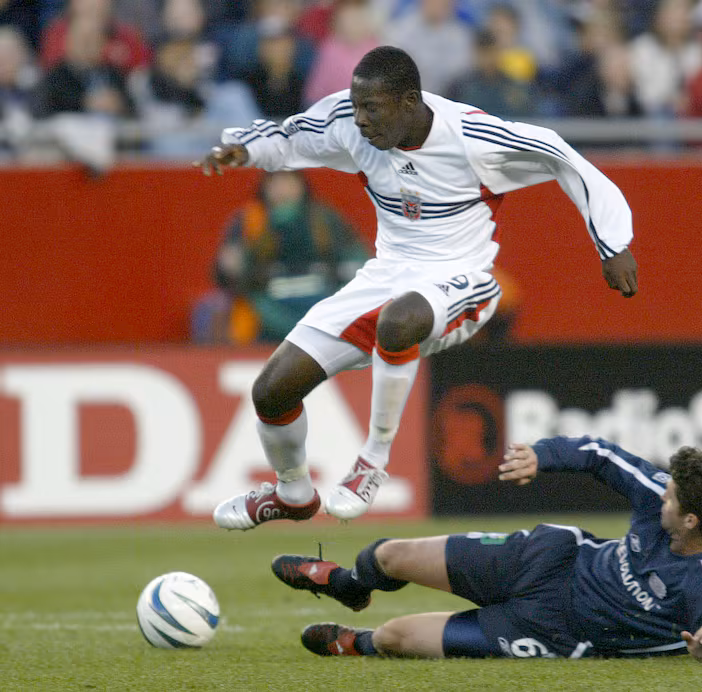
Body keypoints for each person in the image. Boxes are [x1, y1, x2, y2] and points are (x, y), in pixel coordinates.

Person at [195, 45, 638, 525]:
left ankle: (373, 460)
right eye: (357, 107)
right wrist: (245, 149)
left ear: (410, 102)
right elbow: (293, 136)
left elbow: (561, 155)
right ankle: (292, 493)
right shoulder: (353, 124)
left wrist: (611, 243)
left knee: (400, 319)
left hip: (463, 279)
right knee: (271, 391)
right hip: (386, 275)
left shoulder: (472, 136)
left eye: (372, 109)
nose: (361, 121)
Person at [271, 435, 702, 663]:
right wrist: (542, 456)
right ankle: (348, 586)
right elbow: (601, 456)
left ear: (692, 520)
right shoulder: (658, 492)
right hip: (548, 559)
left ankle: (355, 642)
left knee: (396, 637)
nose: (661, 491)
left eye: (672, 496)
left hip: (555, 630)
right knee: (389, 556)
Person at [192, 169, 369, 344]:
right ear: (264, 187)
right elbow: (225, 274)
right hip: (263, 305)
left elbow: (356, 263)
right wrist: (235, 267)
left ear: (301, 185)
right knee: (209, 308)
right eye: (275, 183)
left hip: (322, 303)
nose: (282, 189)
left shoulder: (324, 218)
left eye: (288, 182)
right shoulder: (249, 220)